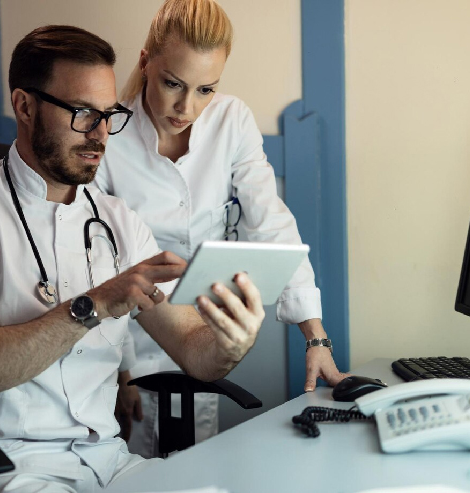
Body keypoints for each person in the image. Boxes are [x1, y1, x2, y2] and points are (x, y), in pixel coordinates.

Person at [0, 25, 265, 493]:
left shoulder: (121, 222)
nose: (100, 134)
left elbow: (195, 352)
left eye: (108, 115)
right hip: (3, 467)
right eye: (83, 113)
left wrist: (230, 342)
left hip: (107, 462)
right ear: (24, 106)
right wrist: (93, 305)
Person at [94, 0, 348, 459]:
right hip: (125, 332)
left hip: (204, 328)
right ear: (146, 62)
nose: (186, 107)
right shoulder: (109, 133)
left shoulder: (232, 120)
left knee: (195, 461)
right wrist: (120, 369)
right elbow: (100, 257)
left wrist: (316, 336)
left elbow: (271, 222)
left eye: (205, 89)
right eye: (173, 83)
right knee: (134, 466)